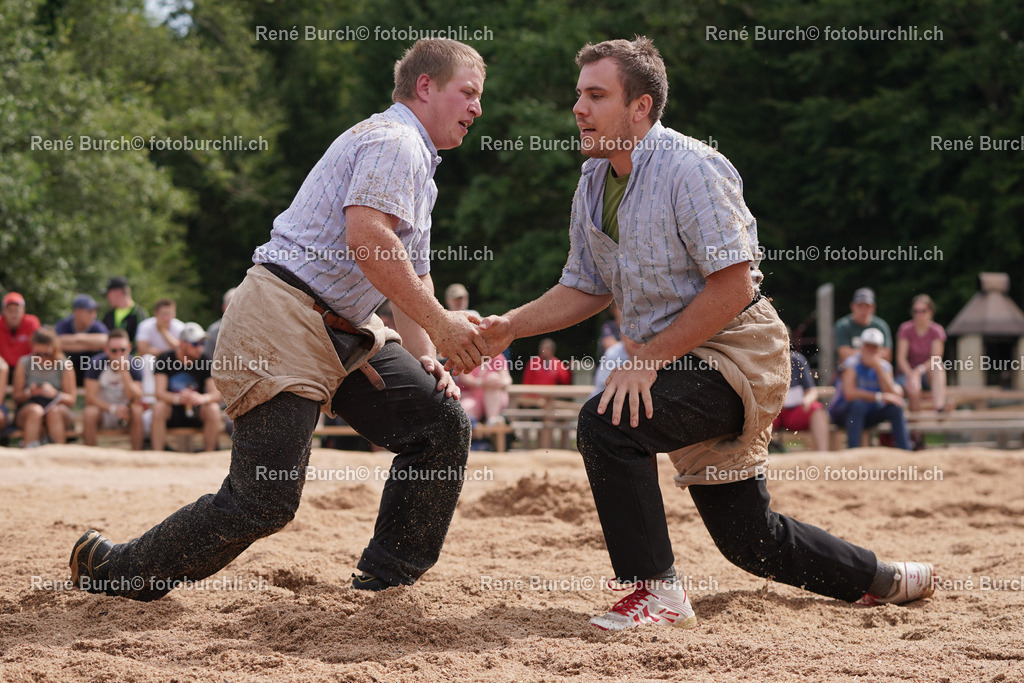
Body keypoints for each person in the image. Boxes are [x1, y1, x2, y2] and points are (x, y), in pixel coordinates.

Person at [470, 37, 934, 631]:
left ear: (641, 107)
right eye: (578, 95)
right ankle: (886, 578)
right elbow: (586, 286)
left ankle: (656, 593)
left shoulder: (692, 167)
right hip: (678, 361)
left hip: (739, 352)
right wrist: (510, 327)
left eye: (595, 95)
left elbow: (734, 286)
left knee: (607, 425)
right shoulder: (592, 182)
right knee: (751, 543)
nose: (578, 108)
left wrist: (649, 358)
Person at [70, 38, 488, 601]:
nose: (477, 109)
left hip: (344, 328)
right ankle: (112, 568)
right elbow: (368, 241)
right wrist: (441, 324)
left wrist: (427, 356)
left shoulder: (418, 164)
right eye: (468, 93)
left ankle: (385, 585)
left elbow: (410, 276)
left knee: (440, 425)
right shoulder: (396, 142)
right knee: (262, 499)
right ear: (425, 87)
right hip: (282, 320)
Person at [828, 328, 911, 450]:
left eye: (874, 347)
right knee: (858, 405)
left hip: (868, 414)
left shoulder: (884, 367)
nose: (870, 351)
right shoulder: (851, 364)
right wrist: (879, 396)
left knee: (896, 407)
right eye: (868, 346)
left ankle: (905, 451)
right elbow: (849, 394)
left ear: (880, 349)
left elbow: (893, 394)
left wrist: (878, 368)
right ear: (862, 347)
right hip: (843, 413)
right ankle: (853, 452)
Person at [150, 323, 222, 453]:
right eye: (195, 344)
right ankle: (157, 454)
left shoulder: (206, 360)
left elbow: (216, 394)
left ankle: (209, 455)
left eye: (202, 343)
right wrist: (178, 398)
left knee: (213, 408)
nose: (200, 348)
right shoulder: (164, 359)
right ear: (182, 343)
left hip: (196, 409)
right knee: (159, 407)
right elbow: (159, 393)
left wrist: (201, 398)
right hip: (172, 410)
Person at [12, 327, 76, 447]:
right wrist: (29, 393)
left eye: (46, 354)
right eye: (38, 354)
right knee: (36, 411)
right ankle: (30, 452)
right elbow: (16, 398)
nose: (42, 358)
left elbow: (72, 400)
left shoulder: (65, 364)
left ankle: (58, 453)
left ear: (54, 348)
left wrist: (54, 394)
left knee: (53, 411)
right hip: (29, 409)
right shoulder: (24, 363)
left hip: (57, 410)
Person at [83, 329, 145, 450]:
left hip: (127, 412)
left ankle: (138, 455)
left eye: (122, 350)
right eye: (114, 350)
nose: (119, 354)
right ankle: (90, 455)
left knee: (137, 412)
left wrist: (124, 373)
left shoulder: (135, 365)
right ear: (106, 349)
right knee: (89, 412)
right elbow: (90, 398)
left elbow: (136, 398)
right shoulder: (96, 364)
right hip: (104, 411)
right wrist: (113, 409)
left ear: (129, 347)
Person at [773, 330, 830, 452]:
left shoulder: (797, 360)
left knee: (817, 409)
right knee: (756, 416)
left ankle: (823, 453)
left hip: (795, 411)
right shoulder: (762, 360)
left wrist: (807, 400)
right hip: (772, 412)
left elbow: (811, 391)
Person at [896, 294, 947, 413]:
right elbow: (901, 359)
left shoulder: (936, 330)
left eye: (923, 311)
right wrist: (912, 374)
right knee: (913, 387)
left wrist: (918, 371)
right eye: (916, 311)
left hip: (926, 374)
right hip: (906, 373)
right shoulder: (905, 329)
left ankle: (939, 407)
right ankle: (917, 427)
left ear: (930, 312)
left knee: (938, 366)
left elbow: (935, 358)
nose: (919, 314)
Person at [55, 294, 109, 386]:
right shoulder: (65, 324)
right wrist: (90, 345)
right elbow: (55, 343)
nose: (94, 315)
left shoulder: (96, 325)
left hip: (90, 369)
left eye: (95, 311)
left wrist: (79, 337)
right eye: (89, 311)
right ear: (77, 312)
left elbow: (106, 341)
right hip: (71, 367)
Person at [835, 287, 893, 364]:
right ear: (852, 306)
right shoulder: (843, 325)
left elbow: (887, 355)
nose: (863, 310)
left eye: (867, 306)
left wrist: (861, 354)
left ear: (873, 308)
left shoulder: (881, 326)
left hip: (875, 368)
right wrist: (872, 353)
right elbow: (843, 354)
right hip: (852, 368)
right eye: (860, 306)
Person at [102, 277, 148, 346]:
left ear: (118, 292)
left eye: (108, 293)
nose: (107, 297)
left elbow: (140, 344)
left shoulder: (138, 314)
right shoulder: (109, 315)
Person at [1, 292, 41, 369]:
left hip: (26, 367)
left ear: (23, 310)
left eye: (17, 310)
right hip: (3, 368)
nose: (13, 315)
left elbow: (38, 349)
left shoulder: (32, 323)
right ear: (4, 311)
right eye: (10, 310)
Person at [203, 287, 236, 360]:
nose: (235, 309)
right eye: (231, 305)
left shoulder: (252, 329)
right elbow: (207, 359)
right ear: (224, 307)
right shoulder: (213, 331)